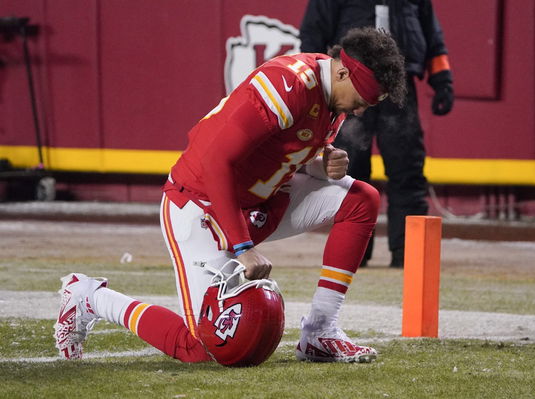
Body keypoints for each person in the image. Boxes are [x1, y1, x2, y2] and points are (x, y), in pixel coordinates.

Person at [53, 27, 406, 364]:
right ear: (343, 73)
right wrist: (241, 246)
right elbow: (215, 160)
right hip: (202, 205)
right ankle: (89, 297)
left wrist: (321, 162)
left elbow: (281, 150)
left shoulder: (331, 91)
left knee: (361, 199)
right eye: (361, 101)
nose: (359, 111)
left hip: (259, 201)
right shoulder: (288, 85)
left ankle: (320, 332)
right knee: (203, 347)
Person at [300, 0, 454, 268]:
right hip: (351, 86)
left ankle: (411, 254)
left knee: (408, 171)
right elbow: (313, 34)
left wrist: (442, 79)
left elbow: (432, 33)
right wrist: (317, 85)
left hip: (399, 89)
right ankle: (354, 253)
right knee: (349, 173)